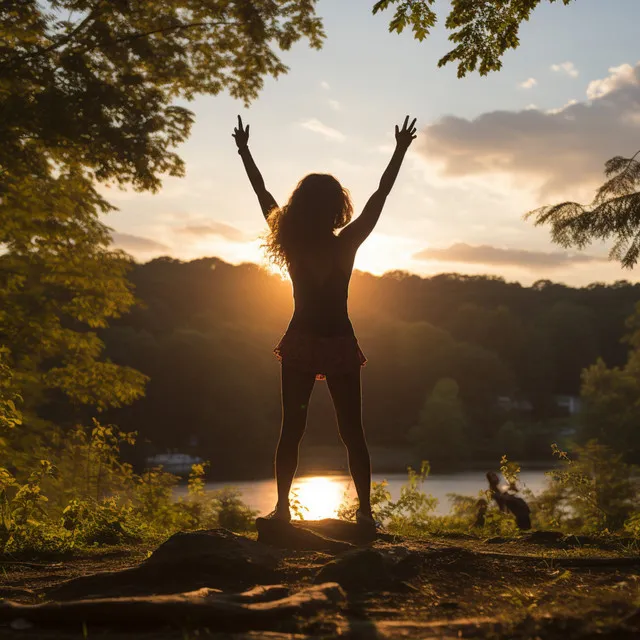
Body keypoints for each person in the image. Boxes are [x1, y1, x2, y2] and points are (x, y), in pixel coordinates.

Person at [233, 114, 417, 527]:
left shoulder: (292, 240)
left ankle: (283, 510)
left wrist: (245, 151)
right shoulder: (347, 242)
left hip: (304, 342)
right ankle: (365, 515)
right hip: (336, 344)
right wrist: (399, 151)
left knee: (292, 431)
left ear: (301, 205)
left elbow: (262, 194)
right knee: (353, 433)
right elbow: (379, 196)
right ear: (337, 208)